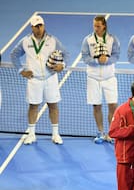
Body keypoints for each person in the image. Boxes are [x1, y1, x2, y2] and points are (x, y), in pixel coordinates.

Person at [10, 15, 69, 145]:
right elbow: (14, 55)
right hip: (34, 80)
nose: (39, 28)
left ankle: (55, 134)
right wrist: (21, 70)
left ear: (44, 26)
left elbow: (66, 54)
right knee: (33, 106)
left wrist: (62, 65)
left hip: (50, 78)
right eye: (36, 26)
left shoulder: (52, 40)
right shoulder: (25, 41)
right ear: (31, 27)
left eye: (40, 25)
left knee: (53, 105)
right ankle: (31, 134)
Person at [81, 15, 120, 144]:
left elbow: (116, 55)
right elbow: (85, 58)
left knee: (113, 106)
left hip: (109, 77)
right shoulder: (88, 40)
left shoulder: (112, 39)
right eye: (94, 26)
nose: (96, 28)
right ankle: (100, 132)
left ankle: (112, 133)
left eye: (98, 26)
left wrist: (107, 60)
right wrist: (97, 61)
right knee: (96, 106)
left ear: (104, 26)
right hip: (93, 78)